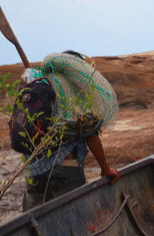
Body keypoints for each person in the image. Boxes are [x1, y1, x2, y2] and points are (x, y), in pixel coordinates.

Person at [20, 51, 120, 211]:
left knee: (36, 220)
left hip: (35, 173)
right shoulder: (75, 100)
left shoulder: (38, 91)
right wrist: (105, 169)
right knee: (72, 219)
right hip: (66, 171)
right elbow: (92, 137)